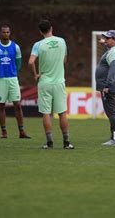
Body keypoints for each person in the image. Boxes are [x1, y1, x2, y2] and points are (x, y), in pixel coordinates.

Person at [29, 20, 74, 149]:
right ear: (51, 28)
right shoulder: (62, 41)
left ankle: (49, 142)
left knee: (46, 113)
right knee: (62, 113)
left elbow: (31, 62)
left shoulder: (38, 45)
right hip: (59, 81)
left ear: (40, 32)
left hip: (45, 82)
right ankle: (66, 142)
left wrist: (35, 74)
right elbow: (64, 60)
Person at [0, 25, 30, 139]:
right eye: (3, 32)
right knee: (1, 105)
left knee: (17, 104)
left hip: (12, 79)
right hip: (0, 78)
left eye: (7, 32)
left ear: (10, 33)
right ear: (0, 33)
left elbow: (18, 63)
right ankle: (4, 131)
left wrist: (14, 71)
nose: (5, 34)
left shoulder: (15, 47)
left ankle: (21, 131)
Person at [95, 30, 115, 146]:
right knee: (114, 112)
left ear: (114, 39)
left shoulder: (114, 52)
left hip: (109, 86)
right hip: (114, 84)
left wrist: (107, 85)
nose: (105, 40)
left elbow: (113, 68)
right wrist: (105, 44)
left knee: (112, 113)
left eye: (108, 38)